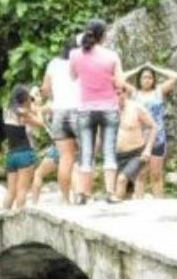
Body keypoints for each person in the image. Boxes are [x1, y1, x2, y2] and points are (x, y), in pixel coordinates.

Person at [69, 19, 123, 203]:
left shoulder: (75, 54)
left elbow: (73, 76)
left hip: (85, 108)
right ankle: (110, 193)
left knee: (86, 152)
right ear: (104, 35)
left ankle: (83, 195)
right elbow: (120, 83)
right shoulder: (112, 56)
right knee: (109, 150)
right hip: (109, 107)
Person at [127, 64, 177, 198]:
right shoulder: (134, 93)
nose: (147, 80)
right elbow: (119, 78)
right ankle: (139, 203)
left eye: (150, 77)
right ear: (139, 79)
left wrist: (154, 67)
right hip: (139, 139)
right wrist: (137, 69)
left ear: (154, 79)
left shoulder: (159, 91)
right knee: (140, 175)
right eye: (144, 77)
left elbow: (175, 76)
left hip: (158, 138)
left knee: (156, 174)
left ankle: (159, 204)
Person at [40, 37, 83, 204]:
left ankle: (65, 200)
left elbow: (45, 89)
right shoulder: (81, 62)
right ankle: (82, 195)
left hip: (58, 113)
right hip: (78, 112)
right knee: (85, 156)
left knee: (66, 158)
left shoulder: (53, 63)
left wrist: (56, 98)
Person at [112, 83, 159, 201]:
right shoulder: (108, 111)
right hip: (116, 155)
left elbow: (153, 127)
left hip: (135, 154)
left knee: (121, 180)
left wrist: (148, 149)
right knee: (122, 190)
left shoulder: (137, 108)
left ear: (125, 93)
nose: (117, 97)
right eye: (113, 94)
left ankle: (117, 205)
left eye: (119, 94)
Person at [2, 84, 44, 210]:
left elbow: (22, 109)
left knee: (11, 192)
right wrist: (39, 109)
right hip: (24, 154)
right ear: (24, 99)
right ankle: (20, 220)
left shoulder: (6, 110)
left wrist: (31, 106)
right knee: (22, 191)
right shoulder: (24, 113)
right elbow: (40, 124)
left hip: (11, 156)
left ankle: (4, 216)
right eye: (28, 98)